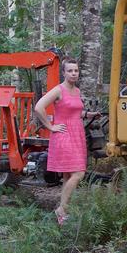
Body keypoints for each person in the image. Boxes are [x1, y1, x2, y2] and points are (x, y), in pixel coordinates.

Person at [34, 58, 99, 224]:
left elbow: (75, 112)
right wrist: (50, 126)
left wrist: (88, 115)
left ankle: (63, 214)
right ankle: (61, 209)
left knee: (68, 175)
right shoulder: (58, 90)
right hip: (63, 135)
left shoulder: (76, 91)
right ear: (64, 73)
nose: (73, 73)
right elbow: (39, 107)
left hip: (77, 134)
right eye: (70, 71)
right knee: (79, 173)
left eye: (76, 70)